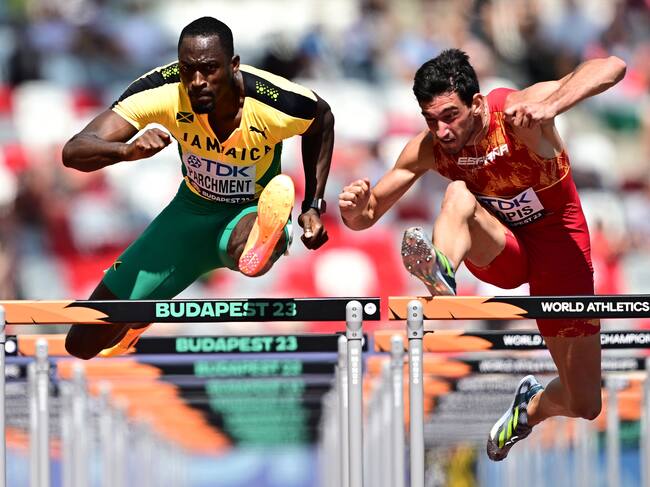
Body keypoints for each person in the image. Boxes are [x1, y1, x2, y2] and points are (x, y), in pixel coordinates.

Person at [339, 49, 626, 461]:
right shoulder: (431, 148)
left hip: (559, 246)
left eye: (450, 115)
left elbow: (612, 66)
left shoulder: (517, 112)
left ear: (476, 103)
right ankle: (442, 273)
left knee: (585, 403)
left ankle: (529, 407)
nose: (441, 130)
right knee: (457, 194)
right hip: (500, 247)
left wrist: (551, 106)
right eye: (431, 120)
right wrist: (354, 209)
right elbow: (366, 216)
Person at [64, 16, 334, 359]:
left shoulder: (275, 101)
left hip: (248, 211)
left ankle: (271, 232)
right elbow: (74, 150)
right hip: (189, 215)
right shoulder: (161, 91)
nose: (197, 81)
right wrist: (126, 151)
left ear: (233, 65)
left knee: (247, 249)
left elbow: (322, 121)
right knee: (82, 343)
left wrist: (312, 204)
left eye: (209, 69)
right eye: (187, 69)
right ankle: (136, 321)